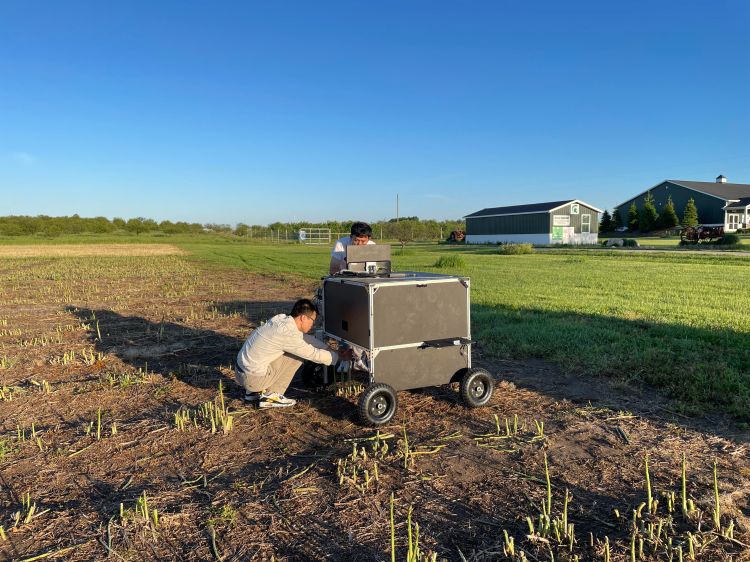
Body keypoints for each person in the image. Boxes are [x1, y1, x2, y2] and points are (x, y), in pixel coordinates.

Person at [236, 299, 350, 408]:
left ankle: (252, 393)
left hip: (242, 371)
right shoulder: (287, 334)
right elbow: (312, 354)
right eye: (312, 320)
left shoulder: (280, 320)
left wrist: (328, 348)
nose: (313, 325)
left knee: (282, 352)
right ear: (303, 318)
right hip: (252, 379)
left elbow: (304, 338)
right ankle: (273, 395)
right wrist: (338, 357)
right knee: (297, 355)